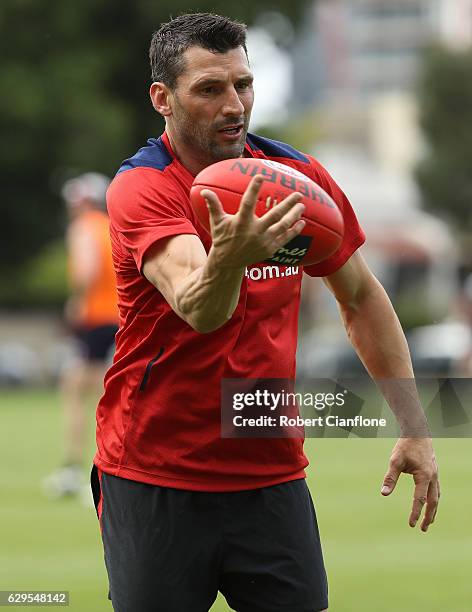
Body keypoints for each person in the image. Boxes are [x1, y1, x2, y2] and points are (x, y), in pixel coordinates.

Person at [90, 13, 440, 612]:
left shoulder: (296, 178)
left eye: (243, 85)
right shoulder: (144, 187)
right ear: (162, 99)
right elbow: (200, 308)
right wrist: (231, 256)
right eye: (209, 89)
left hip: (269, 473)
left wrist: (413, 426)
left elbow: (360, 297)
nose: (234, 104)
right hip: (155, 475)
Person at [43, 173, 119, 499]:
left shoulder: (84, 227)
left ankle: (76, 470)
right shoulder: (111, 226)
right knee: (108, 391)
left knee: (75, 392)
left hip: (95, 318)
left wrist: (77, 300)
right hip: (119, 317)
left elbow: (87, 270)